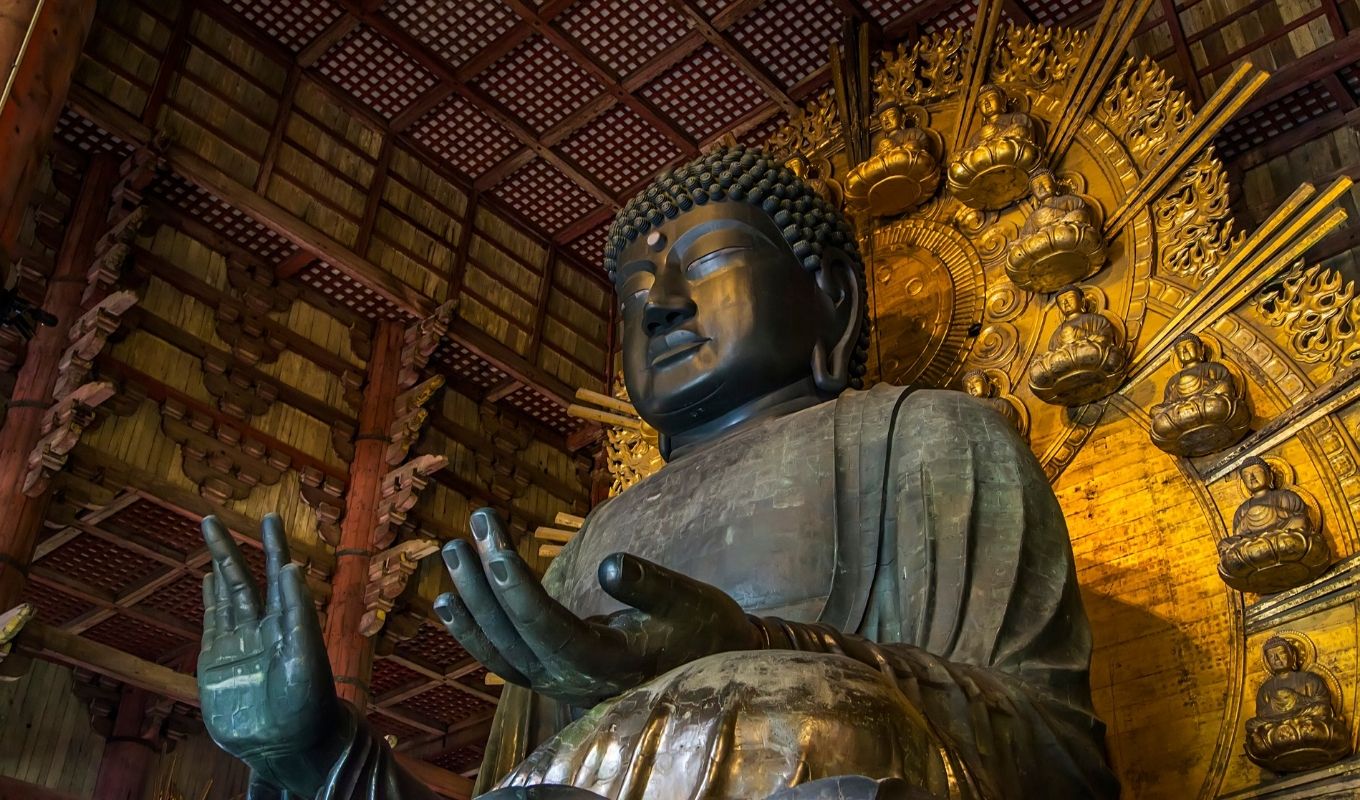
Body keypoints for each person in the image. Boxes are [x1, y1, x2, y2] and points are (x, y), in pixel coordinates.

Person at [194, 146, 1116, 800]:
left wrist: (764, 654)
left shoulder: (932, 440)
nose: (663, 308)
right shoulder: (593, 542)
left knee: (804, 714)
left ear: (829, 296)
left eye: (708, 264)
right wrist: (320, 760)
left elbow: (1058, 762)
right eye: (634, 296)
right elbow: (532, 790)